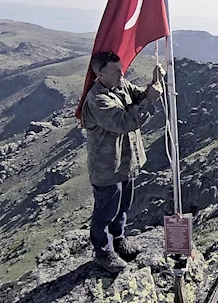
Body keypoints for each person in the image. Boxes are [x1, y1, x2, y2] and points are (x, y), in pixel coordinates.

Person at [81, 51, 165, 273]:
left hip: (126, 163)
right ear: (100, 74)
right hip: (107, 167)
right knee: (105, 211)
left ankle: (118, 240)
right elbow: (125, 122)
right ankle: (103, 252)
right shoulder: (98, 99)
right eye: (117, 70)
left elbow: (138, 96)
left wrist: (154, 83)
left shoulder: (120, 85)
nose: (122, 72)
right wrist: (151, 100)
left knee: (123, 206)